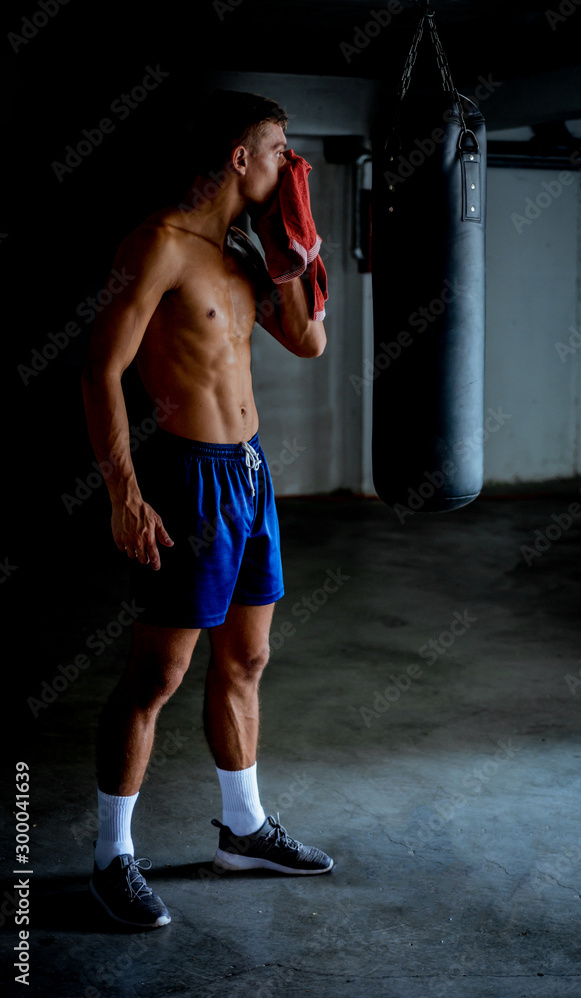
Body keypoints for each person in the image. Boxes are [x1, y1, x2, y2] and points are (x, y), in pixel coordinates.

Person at [81, 90, 333, 930]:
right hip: (184, 479)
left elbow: (307, 342)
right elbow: (99, 372)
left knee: (247, 660)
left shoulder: (242, 253)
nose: (287, 165)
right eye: (278, 152)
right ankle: (111, 854)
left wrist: (290, 244)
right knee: (157, 675)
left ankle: (244, 829)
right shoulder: (155, 243)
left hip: (249, 474)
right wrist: (124, 490)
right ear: (239, 157)